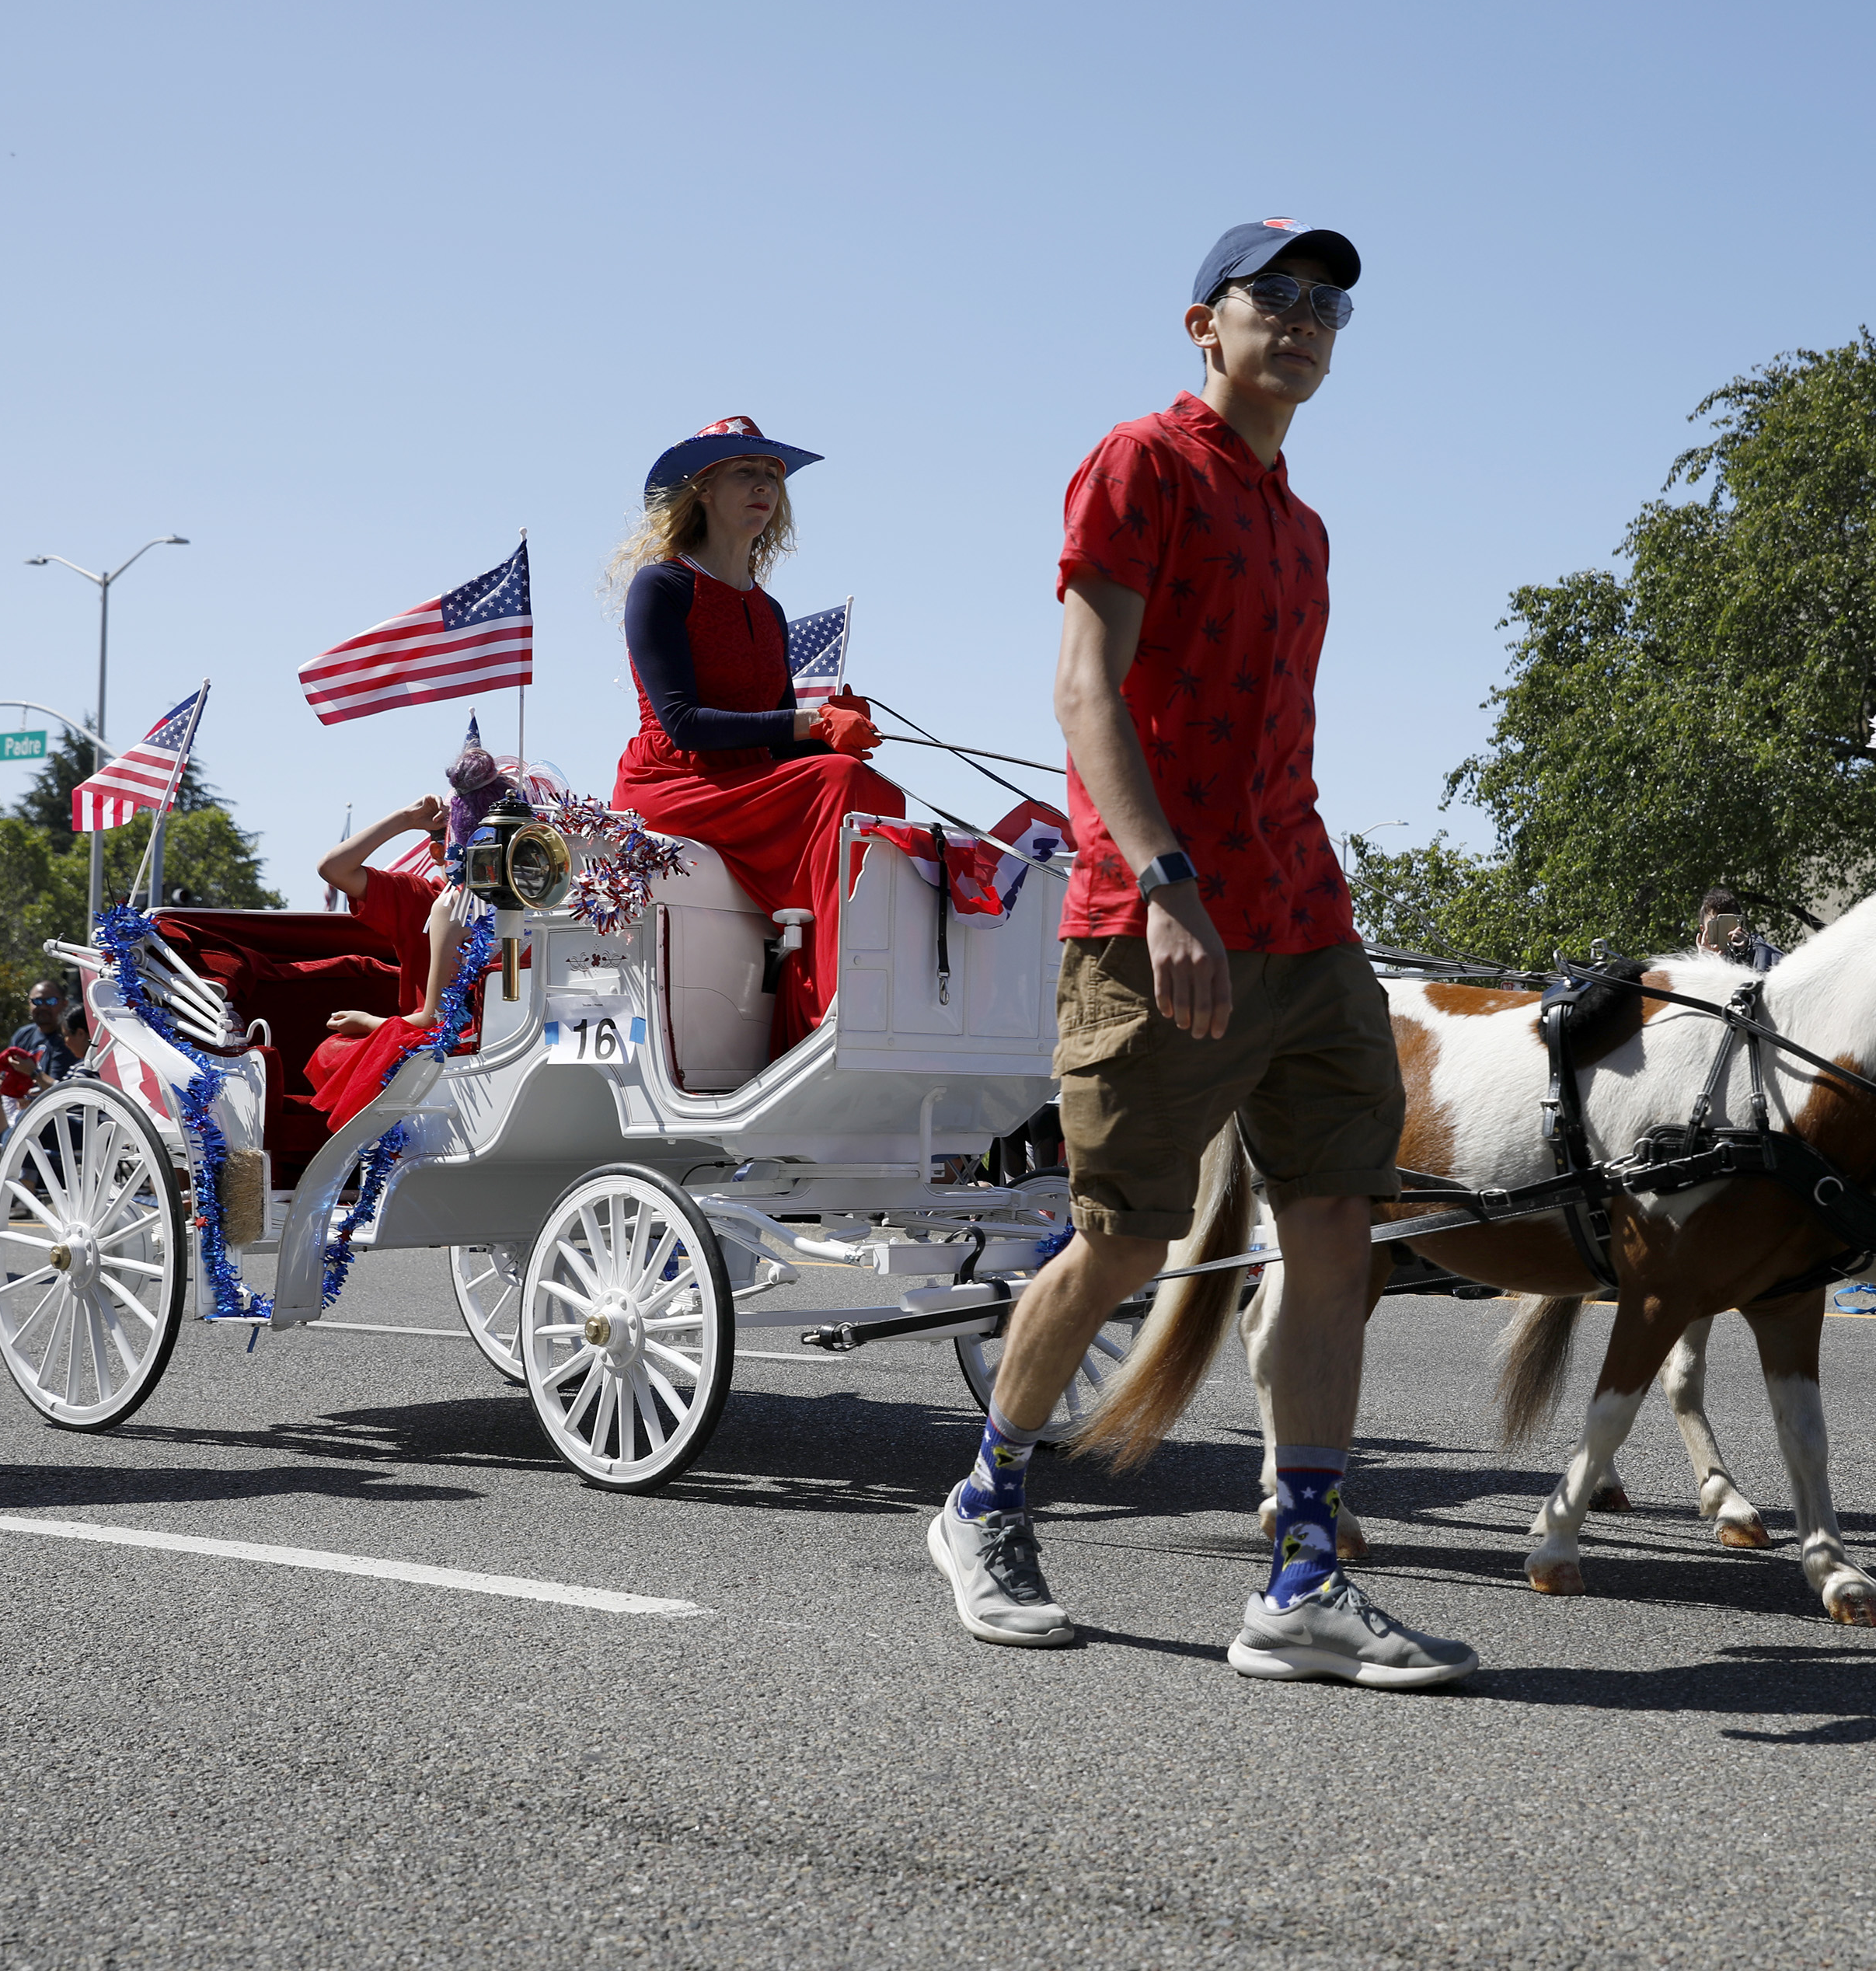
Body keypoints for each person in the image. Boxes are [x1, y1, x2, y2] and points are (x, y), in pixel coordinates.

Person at [922, 219, 1475, 1689]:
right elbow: (1082, 690)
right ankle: (985, 1503)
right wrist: (1165, 885)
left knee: (1339, 1226)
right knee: (1127, 1238)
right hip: (1154, 918)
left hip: (1306, 916)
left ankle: (1301, 1572)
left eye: (1329, 305)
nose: (1304, 321)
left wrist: (1289, 892)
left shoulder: (1305, 525)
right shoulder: (1138, 464)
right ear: (1202, 325)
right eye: (1274, 297)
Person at [606, 417, 900, 1055]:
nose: (765, 485)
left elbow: (786, 750)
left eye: (773, 475)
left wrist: (833, 730)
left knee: (875, 788)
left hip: (745, 781)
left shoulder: (768, 611)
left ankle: (855, 993)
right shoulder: (661, 586)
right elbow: (682, 723)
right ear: (704, 488)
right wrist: (814, 724)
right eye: (747, 471)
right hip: (675, 783)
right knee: (844, 784)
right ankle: (835, 1007)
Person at [305, 787, 479, 1127]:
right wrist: (405, 820)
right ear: (438, 853)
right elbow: (334, 869)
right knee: (333, 1051)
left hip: (448, 1040)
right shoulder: (421, 896)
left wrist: (369, 1023)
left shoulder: (528, 906)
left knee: (337, 1051)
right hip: (442, 1038)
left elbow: (434, 1020)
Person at [1694, 888, 1784, 972]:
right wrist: (1705, 964)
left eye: (1727, 923)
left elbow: (1761, 985)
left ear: (1741, 923)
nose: (1722, 931)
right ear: (1703, 929)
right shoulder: (1700, 965)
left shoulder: (1759, 950)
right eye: (1714, 924)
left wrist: (1745, 954)